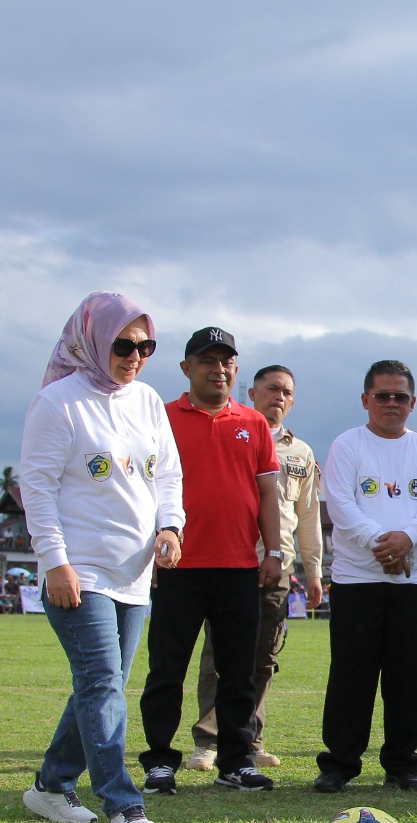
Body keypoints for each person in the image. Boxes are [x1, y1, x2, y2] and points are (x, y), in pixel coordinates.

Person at [19, 291, 181, 823]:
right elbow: (36, 487)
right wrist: (54, 562)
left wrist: (170, 527)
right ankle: (124, 808)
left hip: (134, 574)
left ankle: (51, 784)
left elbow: (168, 477)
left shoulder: (149, 401)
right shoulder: (59, 402)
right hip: (78, 572)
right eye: (122, 344)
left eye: (145, 345)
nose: (135, 356)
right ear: (91, 339)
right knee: (102, 684)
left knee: (101, 685)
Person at [135, 328, 282, 796]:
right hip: (177, 566)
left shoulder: (253, 422)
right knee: (167, 670)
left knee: (237, 672)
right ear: (186, 368)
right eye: (207, 361)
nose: (218, 370)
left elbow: (267, 493)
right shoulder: (161, 417)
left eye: (226, 362)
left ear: (235, 369)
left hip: (239, 565)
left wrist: (275, 550)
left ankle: (235, 762)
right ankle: (160, 761)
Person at [314, 360, 417, 793]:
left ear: (413, 403)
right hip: (358, 580)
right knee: (352, 675)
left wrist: (407, 539)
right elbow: (340, 505)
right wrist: (384, 544)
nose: (392, 403)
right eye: (383, 395)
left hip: (412, 580)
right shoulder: (348, 444)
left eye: (400, 396)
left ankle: (402, 764)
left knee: (409, 677)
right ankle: (339, 764)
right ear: (366, 399)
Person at [185, 363, 324, 773]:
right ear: (252, 392)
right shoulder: (229, 430)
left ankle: (250, 737)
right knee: (219, 655)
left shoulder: (300, 453)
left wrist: (313, 570)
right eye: (271, 389)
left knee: (263, 657)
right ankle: (208, 741)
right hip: (229, 559)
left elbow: (309, 514)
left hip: (276, 565)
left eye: (286, 392)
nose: (278, 397)